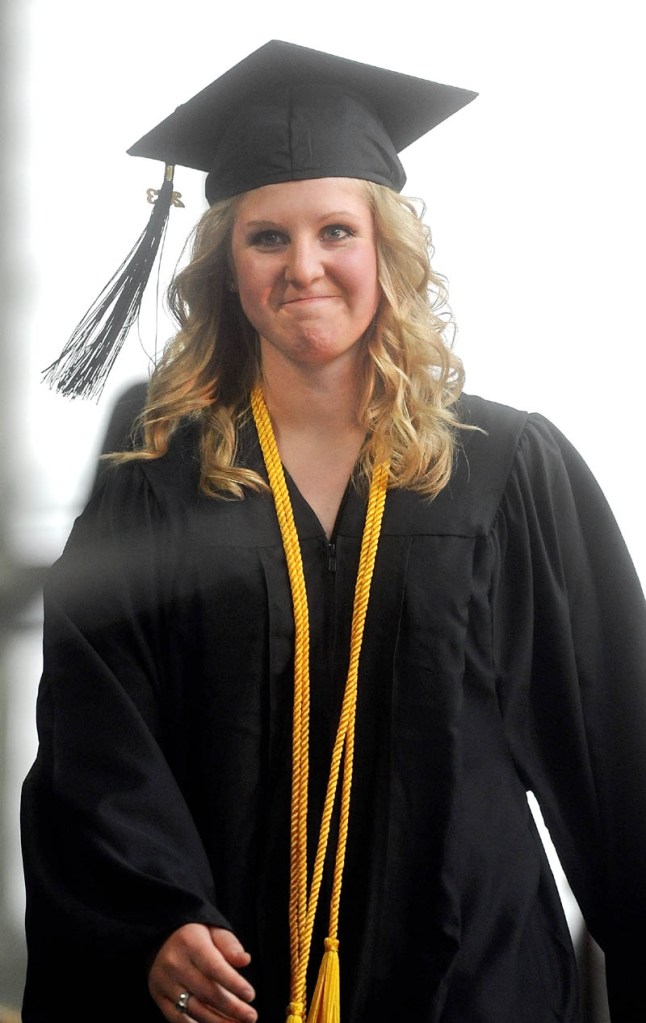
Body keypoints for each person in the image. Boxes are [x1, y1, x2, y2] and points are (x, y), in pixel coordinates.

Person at [21, 40, 646, 1023]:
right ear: (227, 265)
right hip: (237, 986)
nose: (302, 267)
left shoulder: (507, 470)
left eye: (334, 232)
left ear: (384, 249)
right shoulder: (156, 481)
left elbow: (616, 740)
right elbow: (96, 731)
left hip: (474, 987)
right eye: (267, 237)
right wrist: (152, 917)